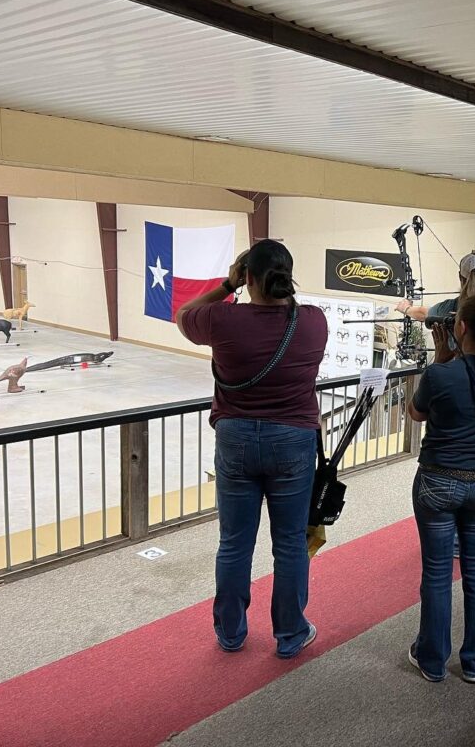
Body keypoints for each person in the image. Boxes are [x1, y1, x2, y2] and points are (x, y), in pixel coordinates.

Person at [177, 240, 328, 658]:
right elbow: (288, 310)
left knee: (235, 543)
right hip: (293, 442)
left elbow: (182, 315)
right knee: (291, 544)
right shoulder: (314, 322)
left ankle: (230, 632)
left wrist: (228, 283)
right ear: (288, 276)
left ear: (247, 277)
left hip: (236, 438)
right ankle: (291, 634)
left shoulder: (222, 319)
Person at [406, 294, 475, 684]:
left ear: (461, 328)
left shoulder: (441, 373)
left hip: (437, 482)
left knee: (436, 573)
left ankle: (432, 661)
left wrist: (440, 357)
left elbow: (416, 413)